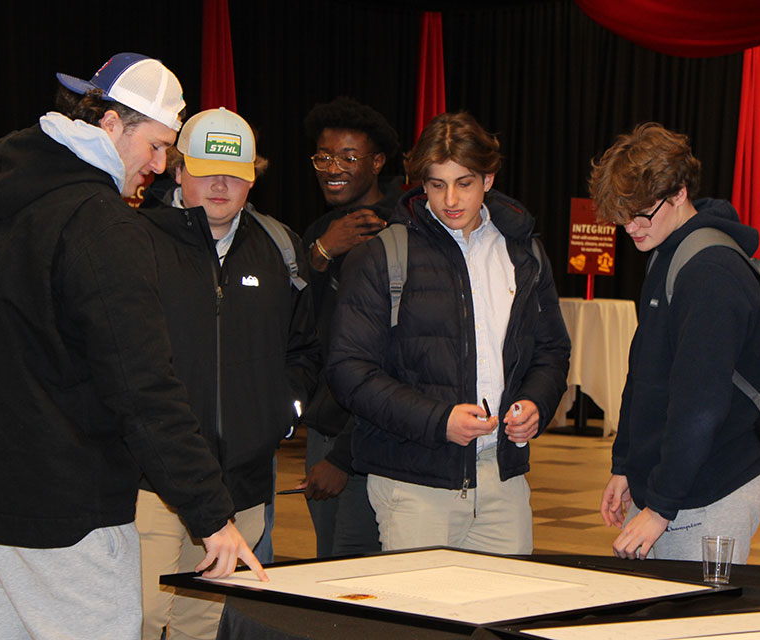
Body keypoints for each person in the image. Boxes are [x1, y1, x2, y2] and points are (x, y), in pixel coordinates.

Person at [0, 53, 266, 640]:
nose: (160, 167)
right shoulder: (100, 223)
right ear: (111, 124)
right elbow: (142, 388)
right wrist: (211, 514)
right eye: (158, 145)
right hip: (67, 509)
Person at [326, 111, 570, 554]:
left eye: (465, 182)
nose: (450, 198)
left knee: (503, 620)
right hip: (414, 486)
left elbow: (552, 351)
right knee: (422, 622)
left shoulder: (524, 253)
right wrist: (438, 421)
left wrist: (536, 403)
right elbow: (349, 371)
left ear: (489, 180)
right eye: (436, 184)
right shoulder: (382, 255)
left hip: (502, 481)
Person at [135, 107, 320, 639]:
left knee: (204, 621)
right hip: (152, 482)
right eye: (206, 168)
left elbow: (304, 348)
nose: (220, 183)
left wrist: (279, 415)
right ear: (176, 168)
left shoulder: (280, 248)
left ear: (252, 176)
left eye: (235, 171)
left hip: (242, 483)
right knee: (142, 617)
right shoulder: (136, 240)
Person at [590, 122, 760, 563]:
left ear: (679, 193)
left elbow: (700, 404)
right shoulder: (666, 251)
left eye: (640, 213)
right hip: (673, 489)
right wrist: (625, 465)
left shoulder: (710, 272)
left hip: (710, 491)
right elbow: (645, 374)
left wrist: (660, 506)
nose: (630, 227)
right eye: (621, 214)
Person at [297, 96, 402, 557]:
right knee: (326, 565)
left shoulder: (400, 231)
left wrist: (343, 456)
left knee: (355, 572)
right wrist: (322, 250)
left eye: (348, 157)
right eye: (323, 156)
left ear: (377, 162)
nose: (332, 167)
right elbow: (298, 325)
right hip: (323, 429)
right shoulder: (320, 230)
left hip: (370, 439)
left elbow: (392, 360)